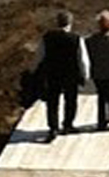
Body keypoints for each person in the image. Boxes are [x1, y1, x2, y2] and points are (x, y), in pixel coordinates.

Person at [35, 9, 88, 141]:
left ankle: (53, 127)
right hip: (71, 74)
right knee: (70, 100)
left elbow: (39, 56)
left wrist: (34, 71)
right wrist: (85, 74)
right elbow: (82, 59)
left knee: (52, 102)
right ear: (70, 23)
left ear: (57, 22)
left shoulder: (47, 37)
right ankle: (68, 124)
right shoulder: (76, 39)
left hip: (53, 73)